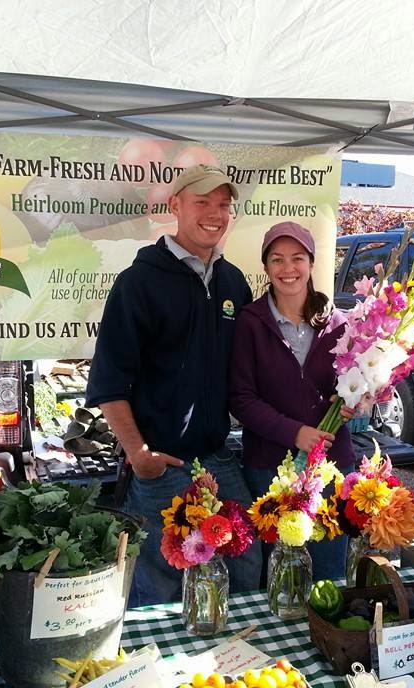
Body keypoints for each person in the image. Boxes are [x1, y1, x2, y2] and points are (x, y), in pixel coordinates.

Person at [86, 164, 261, 606]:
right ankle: (160, 668)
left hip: (217, 457)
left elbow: (256, 362)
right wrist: (139, 455)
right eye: (202, 202)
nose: (214, 213)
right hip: (160, 463)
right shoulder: (137, 284)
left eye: (223, 204)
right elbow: (109, 380)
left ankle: (237, 661)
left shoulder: (232, 281)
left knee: (245, 558)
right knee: (159, 580)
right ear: (175, 205)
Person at [229, 221, 355, 581]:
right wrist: (295, 433)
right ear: (266, 267)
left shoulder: (338, 323)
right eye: (278, 260)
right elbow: (241, 399)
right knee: (278, 572)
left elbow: (349, 387)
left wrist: (353, 402)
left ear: (312, 264)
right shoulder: (250, 323)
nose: (288, 269)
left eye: (297, 258)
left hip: (330, 466)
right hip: (269, 467)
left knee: (329, 573)